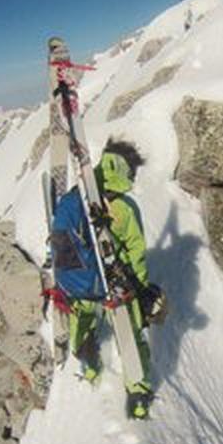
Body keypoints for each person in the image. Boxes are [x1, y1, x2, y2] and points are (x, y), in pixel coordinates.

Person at [70, 138, 156, 419]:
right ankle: (138, 393)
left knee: (81, 315)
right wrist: (140, 288)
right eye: (132, 171)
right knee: (131, 332)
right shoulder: (123, 207)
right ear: (123, 169)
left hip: (80, 277)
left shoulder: (80, 193)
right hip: (114, 280)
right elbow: (136, 251)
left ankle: (87, 359)